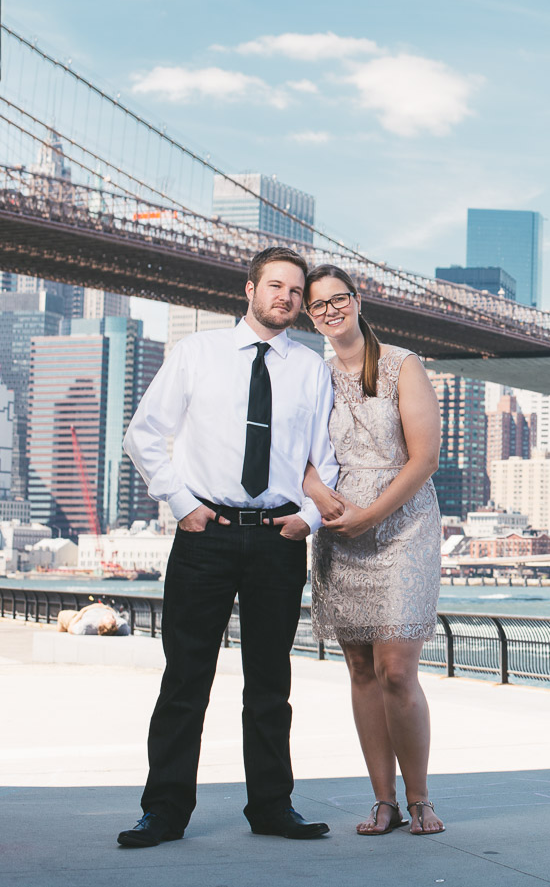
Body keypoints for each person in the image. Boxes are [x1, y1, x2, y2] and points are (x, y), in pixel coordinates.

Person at [118, 246, 339, 848]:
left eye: (296, 292)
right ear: (249, 289)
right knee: (185, 679)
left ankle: (272, 807)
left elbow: (329, 458)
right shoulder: (196, 354)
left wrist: (311, 518)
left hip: (277, 540)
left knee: (271, 683)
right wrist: (183, 505)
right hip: (205, 537)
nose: (286, 299)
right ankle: (163, 810)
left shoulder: (311, 370)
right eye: (275, 287)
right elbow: (144, 435)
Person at [301, 263, 445, 836]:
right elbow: (296, 453)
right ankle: (382, 801)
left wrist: (372, 516)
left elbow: (424, 458)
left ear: (358, 301)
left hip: (403, 527)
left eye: (340, 299)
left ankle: (420, 799)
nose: (331, 310)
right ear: (310, 316)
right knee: (360, 667)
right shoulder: (311, 377)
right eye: (319, 305)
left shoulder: (402, 365)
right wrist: (321, 498)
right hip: (338, 527)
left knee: (396, 670)